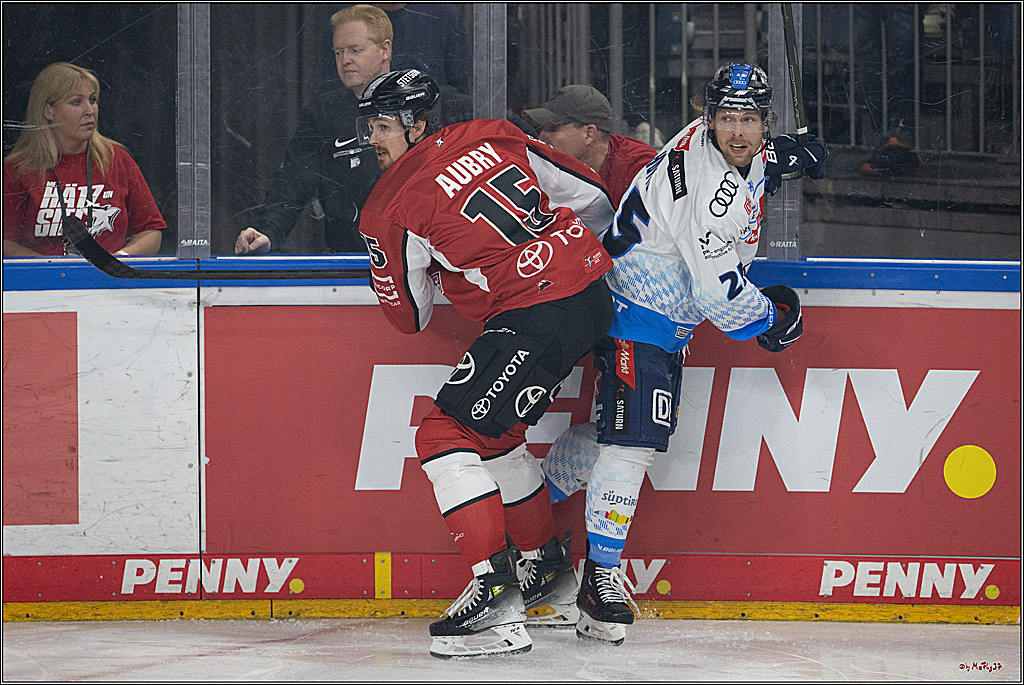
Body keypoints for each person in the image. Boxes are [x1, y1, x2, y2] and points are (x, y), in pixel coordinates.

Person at [541, 63, 828, 645]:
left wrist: (781, 159)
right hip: (639, 317)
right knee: (633, 444)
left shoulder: (707, 140)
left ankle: (529, 515)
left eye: (750, 120)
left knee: (611, 436)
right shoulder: (711, 197)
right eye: (727, 119)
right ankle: (600, 579)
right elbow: (716, 293)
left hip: (632, 306)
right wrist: (774, 321)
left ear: (765, 122)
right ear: (710, 119)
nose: (738, 133)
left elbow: (745, 162)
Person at [356, 69, 616, 658]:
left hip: (536, 312)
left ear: (415, 124)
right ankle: (547, 581)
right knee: (496, 441)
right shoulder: (494, 133)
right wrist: (558, 256)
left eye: (380, 126)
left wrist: (445, 267)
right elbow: (592, 197)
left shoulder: (387, 207)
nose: (371, 138)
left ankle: (495, 603)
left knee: (444, 435)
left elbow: (409, 317)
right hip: (591, 292)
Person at [234, 5, 393, 255]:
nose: (345, 60)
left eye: (355, 50)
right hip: (347, 264)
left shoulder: (419, 103)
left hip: (412, 262)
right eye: (338, 52)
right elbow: (292, 182)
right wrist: (268, 233)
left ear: (385, 49)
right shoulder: (324, 112)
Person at [3, 62, 165, 257]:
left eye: (93, 100)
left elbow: (151, 231)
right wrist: (53, 270)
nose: (90, 110)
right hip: (44, 283)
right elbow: (6, 243)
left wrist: (119, 259)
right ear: (48, 111)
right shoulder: (18, 168)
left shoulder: (116, 158)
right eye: (76, 102)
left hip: (109, 281)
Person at [525, 84, 657, 205]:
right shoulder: (544, 164)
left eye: (554, 129)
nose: (542, 137)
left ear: (589, 134)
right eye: (542, 128)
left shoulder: (638, 170)